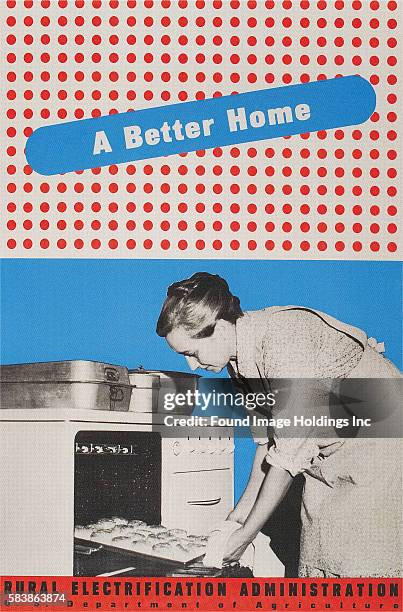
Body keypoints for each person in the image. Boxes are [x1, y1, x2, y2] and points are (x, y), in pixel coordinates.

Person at [156, 272, 402, 577]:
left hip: (380, 446)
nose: (192, 365)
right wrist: (235, 519)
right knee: (320, 550)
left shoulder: (284, 341)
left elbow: (286, 458)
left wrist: (244, 537)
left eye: (191, 353)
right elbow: (268, 446)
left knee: (361, 563)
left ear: (219, 328)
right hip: (330, 447)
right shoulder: (239, 364)